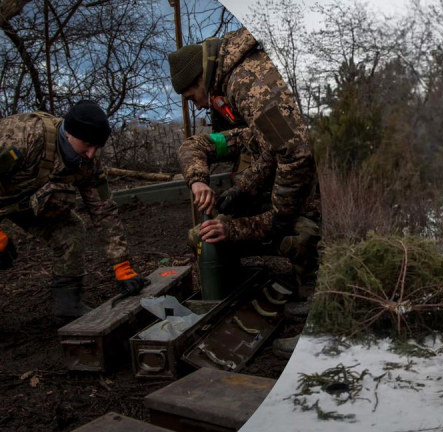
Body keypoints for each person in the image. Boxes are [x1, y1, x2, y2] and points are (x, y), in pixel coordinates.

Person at [167, 29, 321, 355]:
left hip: (305, 202)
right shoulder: (246, 86)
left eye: (192, 96)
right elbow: (268, 148)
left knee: (301, 234)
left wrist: (276, 217)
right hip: (283, 198)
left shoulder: (246, 83)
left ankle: (318, 309)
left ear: (200, 80)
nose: (195, 105)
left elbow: (294, 152)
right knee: (204, 236)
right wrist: (216, 184)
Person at [0, 101, 146, 319]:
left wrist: (121, 264)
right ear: (69, 133)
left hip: (26, 202)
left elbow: (103, 209)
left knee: (71, 228)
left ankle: (68, 306)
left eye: (97, 147)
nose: (90, 154)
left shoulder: (89, 161)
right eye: (87, 145)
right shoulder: (23, 135)